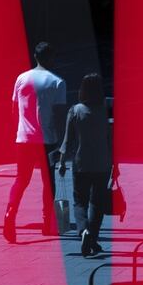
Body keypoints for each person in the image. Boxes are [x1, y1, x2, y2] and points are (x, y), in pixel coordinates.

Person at [3, 42, 67, 243]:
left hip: (23, 139)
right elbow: (59, 115)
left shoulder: (21, 78)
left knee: (21, 180)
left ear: (35, 56)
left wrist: (18, 131)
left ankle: (10, 214)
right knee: (48, 183)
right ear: (51, 58)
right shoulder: (57, 82)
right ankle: (48, 223)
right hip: (47, 140)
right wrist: (62, 144)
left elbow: (14, 110)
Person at [58, 73, 115, 257]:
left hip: (81, 162)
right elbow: (111, 140)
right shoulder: (105, 111)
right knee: (97, 203)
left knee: (80, 201)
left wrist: (61, 162)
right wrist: (116, 164)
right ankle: (93, 237)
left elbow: (67, 140)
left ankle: (83, 231)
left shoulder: (75, 111)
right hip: (102, 163)